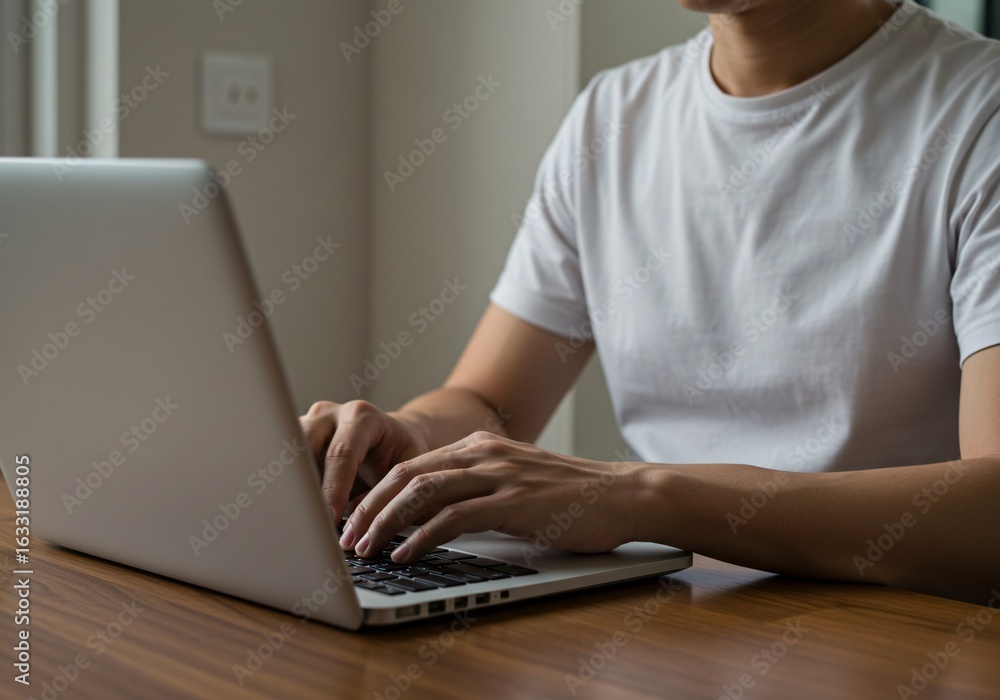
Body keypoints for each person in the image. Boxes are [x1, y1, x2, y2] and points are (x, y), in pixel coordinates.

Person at [301, 0, 1000, 602]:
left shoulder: (978, 110)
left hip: (893, 631)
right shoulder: (612, 116)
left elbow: (989, 509)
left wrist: (637, 496)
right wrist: (411, 437)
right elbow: (493, 402)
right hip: (676, 614)